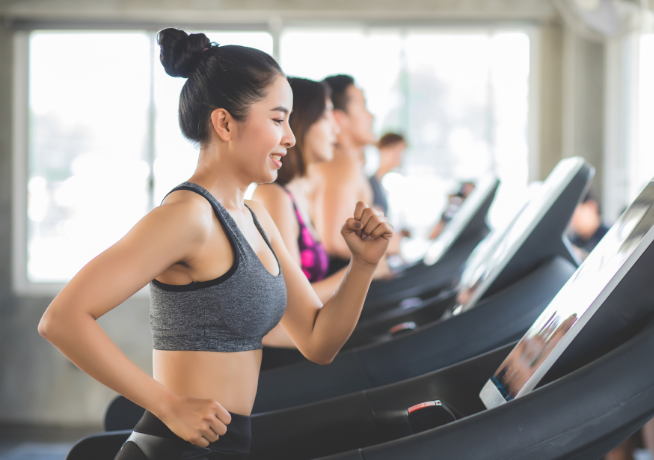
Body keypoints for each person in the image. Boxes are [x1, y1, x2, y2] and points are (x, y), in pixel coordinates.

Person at [37, 29, 393, 460]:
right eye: (278, 120)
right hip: (171, 449)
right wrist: (166, 404)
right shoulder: (189, 216)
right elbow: (61, 319)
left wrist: (363, 266)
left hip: (231, 447)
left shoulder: (258, 217)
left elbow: (319, 343)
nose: (290, 138)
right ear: (224, 123)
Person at [252, 77, 346, 367]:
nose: (336, 128)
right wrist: (362, 271)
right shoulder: (273, 197)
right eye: (327, 115)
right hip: (282, 360)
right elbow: (292, 305)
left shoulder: (297, 194)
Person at [309, 74, 379, 277]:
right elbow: (333, 241)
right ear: (339, 118)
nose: (371, 117)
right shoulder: (340, 164)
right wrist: (384, 249)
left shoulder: (347, 163)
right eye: (363, 106)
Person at [370, 132, 407, 215]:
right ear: (382, 150)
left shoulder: (380, 183)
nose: (399, 157)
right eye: (396, 151)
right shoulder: (370, 184)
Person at [569, 191, 609, 256]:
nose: (573, 220)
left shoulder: (609, 236)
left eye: (576, 214)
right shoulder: (573, 244)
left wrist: (582, 256)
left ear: (591, 207)